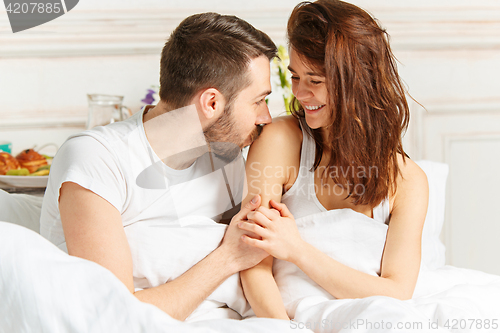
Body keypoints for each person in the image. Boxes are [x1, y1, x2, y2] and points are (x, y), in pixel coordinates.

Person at [40, 12, 277, 321]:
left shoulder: (226, 158)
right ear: (212, 103)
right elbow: (114, 315)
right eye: (259, 100)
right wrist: (227, 257)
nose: (266, 117)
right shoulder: (97, 157)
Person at [238, 0, 429, 320]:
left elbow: (397, 292)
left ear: (357, 83)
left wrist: (297, 250)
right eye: (295, 77)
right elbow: (253, 264)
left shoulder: (408, 181)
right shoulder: (282, 142)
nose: (299, 93)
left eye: (314, 81)